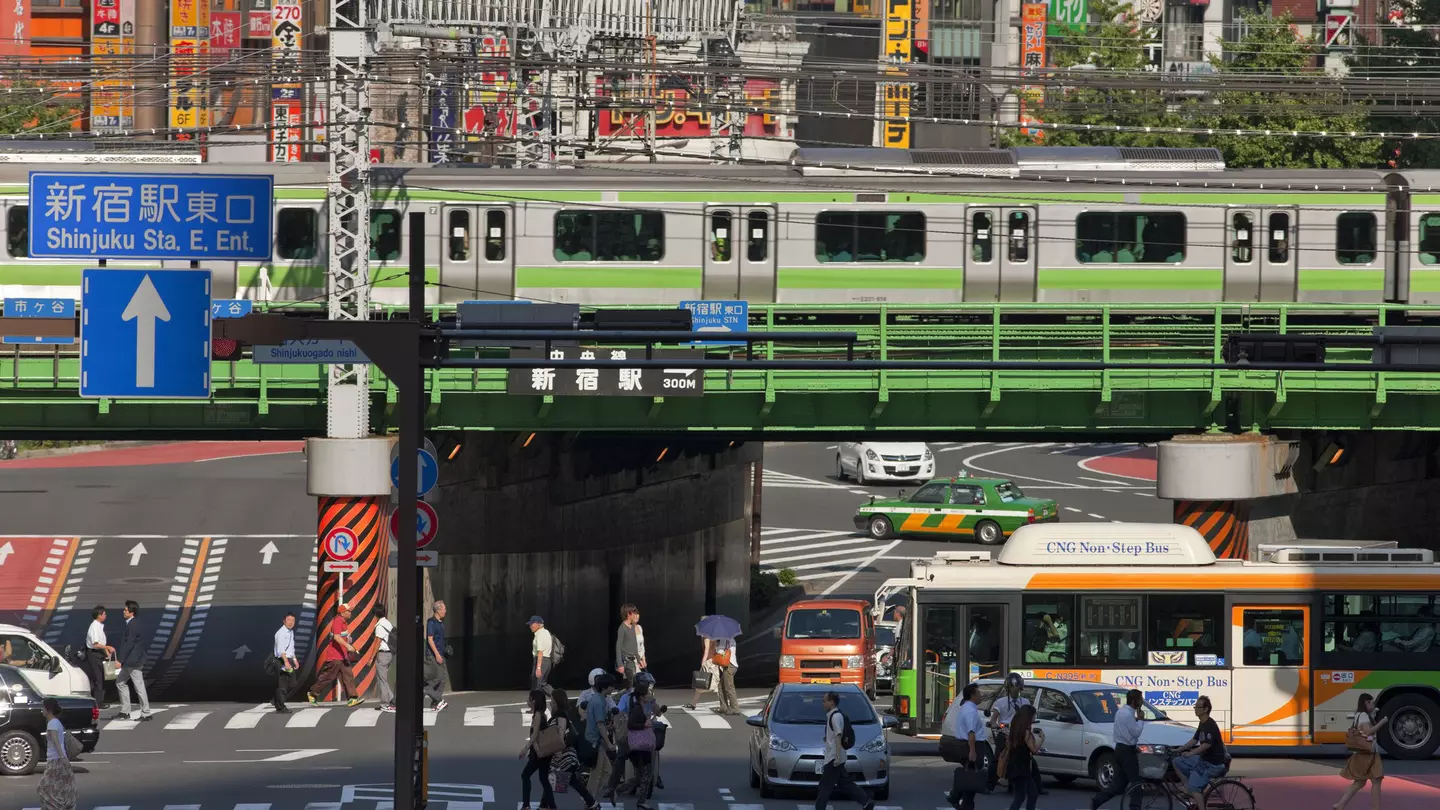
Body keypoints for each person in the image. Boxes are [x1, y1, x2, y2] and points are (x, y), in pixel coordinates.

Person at [816, 691, 875, 810]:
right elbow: (834, 736)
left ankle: (819, 808)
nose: (823, 703)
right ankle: (866, 803)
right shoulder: (832, 715)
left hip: (834, 758)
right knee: (845, 784)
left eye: (824, 701)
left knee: (824, 786)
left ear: (831, 703)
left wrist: (837, 757)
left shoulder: (836, 716)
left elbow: (838, 736)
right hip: (834, 756)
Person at [1090, 689, 1145, 810]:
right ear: (1135, 701)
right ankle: (1135, 807)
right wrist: (1141, 720)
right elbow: (1135, 733)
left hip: (1121, 749)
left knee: (1119, 785)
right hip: (1126, 752)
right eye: (1140, 699)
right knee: (1136, 782)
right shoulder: (1127, 714)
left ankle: (1098, 800)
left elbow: (1125, 734)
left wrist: (1134, 746)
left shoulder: (1122, 712)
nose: (1142, 702)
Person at [548, 689, 602, 810]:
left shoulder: (561, 715)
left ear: (557, 701)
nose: (550, 702)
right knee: (570, 781)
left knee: (552, 781)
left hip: (564, 756)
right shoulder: (561, 714)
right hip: (565, 756)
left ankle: (545, 806)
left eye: (551, 700)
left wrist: (558, 750)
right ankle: (592, 803)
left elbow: (561, 732)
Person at [1172, 695, 1227, 808]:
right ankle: (1189, 787)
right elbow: (1194, 740)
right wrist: (1179, 749)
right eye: (1195, 707)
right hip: (1203, 759)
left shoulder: (1210, 724)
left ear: (1206, 709)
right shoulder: (1202, 723)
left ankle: (1195, 793)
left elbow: (1206, 745)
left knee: (1194, 788)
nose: (1195, 709)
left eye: (1198, 707)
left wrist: (1191, 753)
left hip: (1212, 763)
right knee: (1177, 761)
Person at [1335, 693, 1388, 810]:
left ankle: (1340, 805)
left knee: (1359, 782)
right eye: (1372, 702)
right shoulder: (1364, 716)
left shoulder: (1360, 714)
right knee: (1376, 781)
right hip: (1369, 753)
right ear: (1366, 703)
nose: (1373, 704)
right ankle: (1376, 808)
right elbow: (1368, 731)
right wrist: (1382, 722)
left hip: (1362, 754)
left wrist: (1374, 711)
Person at [308, 603, 364, 707]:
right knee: (329, 676)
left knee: (348, 675)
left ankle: (352, 698)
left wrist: (348, 642)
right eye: (349, 611)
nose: (350, 613)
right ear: (342, 613)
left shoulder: (344, 622)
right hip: (335, 655)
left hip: (343, 655)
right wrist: (348, 646)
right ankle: (313, 693)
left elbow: (342, 637)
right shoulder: (337, 621)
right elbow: (336, 637)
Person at [943, 682, 988, 810]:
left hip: (967, 745)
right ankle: (962, 802)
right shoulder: (970, 711)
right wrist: (973, 750)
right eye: (978, 693)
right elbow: (971, 732)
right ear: (972, 695)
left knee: (970, 775)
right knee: (972, 777)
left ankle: (956, 798)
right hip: (972, 746)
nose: (981, 696)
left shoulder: (968, 708)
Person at [114, 600, 152, 722]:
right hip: (131, 661)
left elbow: (129, 644)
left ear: (132, 612)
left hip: (133, 662)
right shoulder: (133, 623)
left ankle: (146, 713)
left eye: (125, 610)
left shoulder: (133, 625)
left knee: (139, 686)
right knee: (120, 682)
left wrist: (120, 660)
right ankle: (125, 711)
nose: (123, 611)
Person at [520, 689, 558, 810]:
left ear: (534, 701)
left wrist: (525, 748)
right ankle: (552, 806)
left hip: (539, 753)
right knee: (543, 779)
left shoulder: (537, 715)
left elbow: (535, 734)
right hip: (544, 753)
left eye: (529, 698)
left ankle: (526, 805)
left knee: (525, 776)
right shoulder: (542, 714)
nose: (527, 701)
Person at [36, 697, 76, 810]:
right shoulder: (55, 722)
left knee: (44, 787)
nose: (41, 710)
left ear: (48, 709)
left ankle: (57, 807)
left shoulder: (52, 723)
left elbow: (55, 740)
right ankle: (62, 805)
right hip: (58, 759)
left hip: (56, 760)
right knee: (60, 787)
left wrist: (62, 757)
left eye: (43, 707)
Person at [1004, 704, 1042, 810]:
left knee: (1031, 793)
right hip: (1021, 768)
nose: (1034, 718)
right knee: (1021, 797)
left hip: (1015, 766)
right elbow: (1034, 749)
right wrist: (1041, 739)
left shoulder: (1015, 729)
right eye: (1033, 716)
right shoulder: (1026, 732)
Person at [84, 605, 112, 708]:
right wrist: (107, 647)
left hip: (100, 653)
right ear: (99, 615)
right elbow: (95, 644)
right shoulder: (95, 627)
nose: (106, 615)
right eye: (104, 614)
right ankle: (98, 702)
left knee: (102, 677)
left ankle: (100, 700)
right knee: (98, 678)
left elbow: (100, 643)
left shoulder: (99, 626)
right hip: (94, 654)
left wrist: (106, 651)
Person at [425, 601, 449, 712]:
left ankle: (435, 702)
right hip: (434, 655)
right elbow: (430, 639)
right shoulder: (431, 622)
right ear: (438, 610)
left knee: (443, 678)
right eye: (444, 609)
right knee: (437, 678)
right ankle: (436, 698)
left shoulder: (440, 622)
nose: (445, 611)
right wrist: (437, 655)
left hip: (441, 653)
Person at [273, 612, 299, 713]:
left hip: (288, 659)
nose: (291, 622)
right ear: (284, 621)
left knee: (292, 684)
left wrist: (295, 660)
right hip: (281, 660)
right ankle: (280, 707)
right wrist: (286, 662)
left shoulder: (290, 632)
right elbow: (281, 650)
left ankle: (277, 700)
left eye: (293, 621)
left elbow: (291, 647)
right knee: (283, 684)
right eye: (289, 620)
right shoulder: (281, 633)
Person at [615, 604, 646, 688]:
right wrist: (620, 664)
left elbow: (635, 645)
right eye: (634, 613)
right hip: (627, 661)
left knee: (638, 683)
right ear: (629, 614)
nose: (636, 616)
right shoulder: (622, 628)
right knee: (631, 685)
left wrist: (640, 660)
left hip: (635, 661)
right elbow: (618, 646)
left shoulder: (634, 627)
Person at [374, 604, 396, 711]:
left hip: (382, 654)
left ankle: (386, 703)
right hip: (390, 654)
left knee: (382, 679)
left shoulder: (379, 626)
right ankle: (391, 699)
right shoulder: (388, 623)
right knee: (383, 678)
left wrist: (371, 657)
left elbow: (377, 642)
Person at [529, 615, 554, 692]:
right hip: (546, 661)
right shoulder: (545, 632)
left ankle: (558, 698)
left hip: (542, 661)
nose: (530, 626)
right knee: (541, 684)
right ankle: (557, 697)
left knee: (538, 685)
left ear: (538, 624)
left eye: (532, 624)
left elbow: (540, 652)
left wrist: (538, 667)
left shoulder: (540, 634)